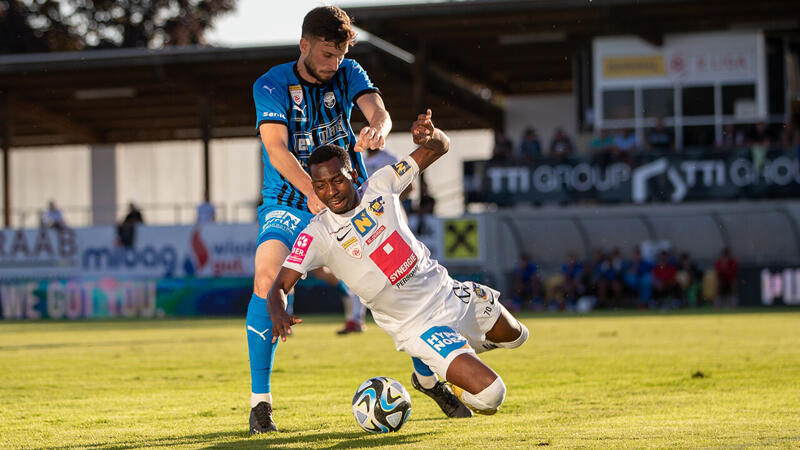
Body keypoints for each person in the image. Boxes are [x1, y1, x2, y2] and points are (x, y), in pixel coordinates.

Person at [269, 110, 529, 419]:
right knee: (490, 396)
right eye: (320, 186)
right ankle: (432, 373)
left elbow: (440, 147)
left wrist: (430, 137)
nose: (330, 192)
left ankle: (429, 370)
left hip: (450, 293)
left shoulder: (382, 183)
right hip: (418, 326)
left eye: (337, 180)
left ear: (352, 174)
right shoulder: (317, 234)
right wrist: (278, 311)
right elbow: (279, 285)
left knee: (518, 336)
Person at [246, 6, 392, 433]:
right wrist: (311, 193)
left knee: (393, 279)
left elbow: (377, 110)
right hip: (291, 199)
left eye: (341, 55)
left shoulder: (348, 71)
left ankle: (426, 376)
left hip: (350, 195)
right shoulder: (270, 84)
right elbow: (277, 150)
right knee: (266, 278)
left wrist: (378, 128)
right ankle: (260, 404)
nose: (334, 64)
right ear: (304, 46)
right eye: (327, 55)